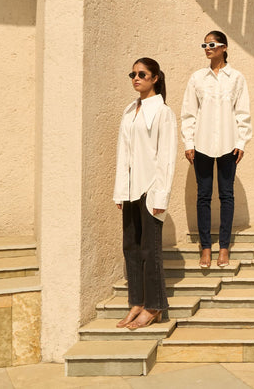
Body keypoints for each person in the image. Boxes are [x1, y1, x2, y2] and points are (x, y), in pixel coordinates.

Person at [112, 57, 177, 329]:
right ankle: (137, 303)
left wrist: (161, 195)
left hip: (150, 189)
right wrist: (120, 191)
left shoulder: (163, 112)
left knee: (150, 250)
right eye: (133, 74)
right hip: (130, 189)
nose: (136, 78)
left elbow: (167, 157)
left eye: (141, 74)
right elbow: (123, 153)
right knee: (131, 248)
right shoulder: (130, 110)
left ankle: (154, 305)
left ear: (155, 78)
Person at [182, 31, 252, 269]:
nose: (207, 48)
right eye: (204, 45)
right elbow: (189, 113)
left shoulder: (236, 78)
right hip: (201, 144)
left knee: (226, 195)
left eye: (211, 44)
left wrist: (241, 142)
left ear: (224, 47)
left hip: (228, 144)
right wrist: (188, 143)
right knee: (203, 196)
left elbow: (242, 112)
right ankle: (205, 248)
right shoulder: (197, 78)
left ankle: (223, 247)